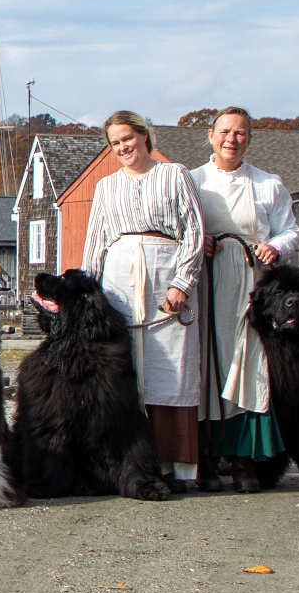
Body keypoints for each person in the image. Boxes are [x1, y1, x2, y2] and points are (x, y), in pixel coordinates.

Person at [79, 111, 210, 489]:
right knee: (125, 367)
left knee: (171, 367)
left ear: (144, 135)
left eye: (128, 138)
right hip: (120, 281)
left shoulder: (174, 175)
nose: (123, 147)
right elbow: (95, 243)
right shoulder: (106, 187)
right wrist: (90, 294)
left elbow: (193, 232)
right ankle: (129, 463)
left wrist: (182, 282)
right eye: (115, 142)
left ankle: (175, 463)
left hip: (164, 277)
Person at [186, 107, 299, 483]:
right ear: (210, 135)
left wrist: (276, 248)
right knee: (207, 361)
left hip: (253, 283)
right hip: (207, 281)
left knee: (249, 364)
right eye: (224, 132)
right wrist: (197, 241)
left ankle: (244, 458)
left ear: (249, 139)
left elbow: (291, 230)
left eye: (239, 133)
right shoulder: (192, 181)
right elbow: (178, 227)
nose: (231, 139)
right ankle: (204, 456)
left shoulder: (268, 184)